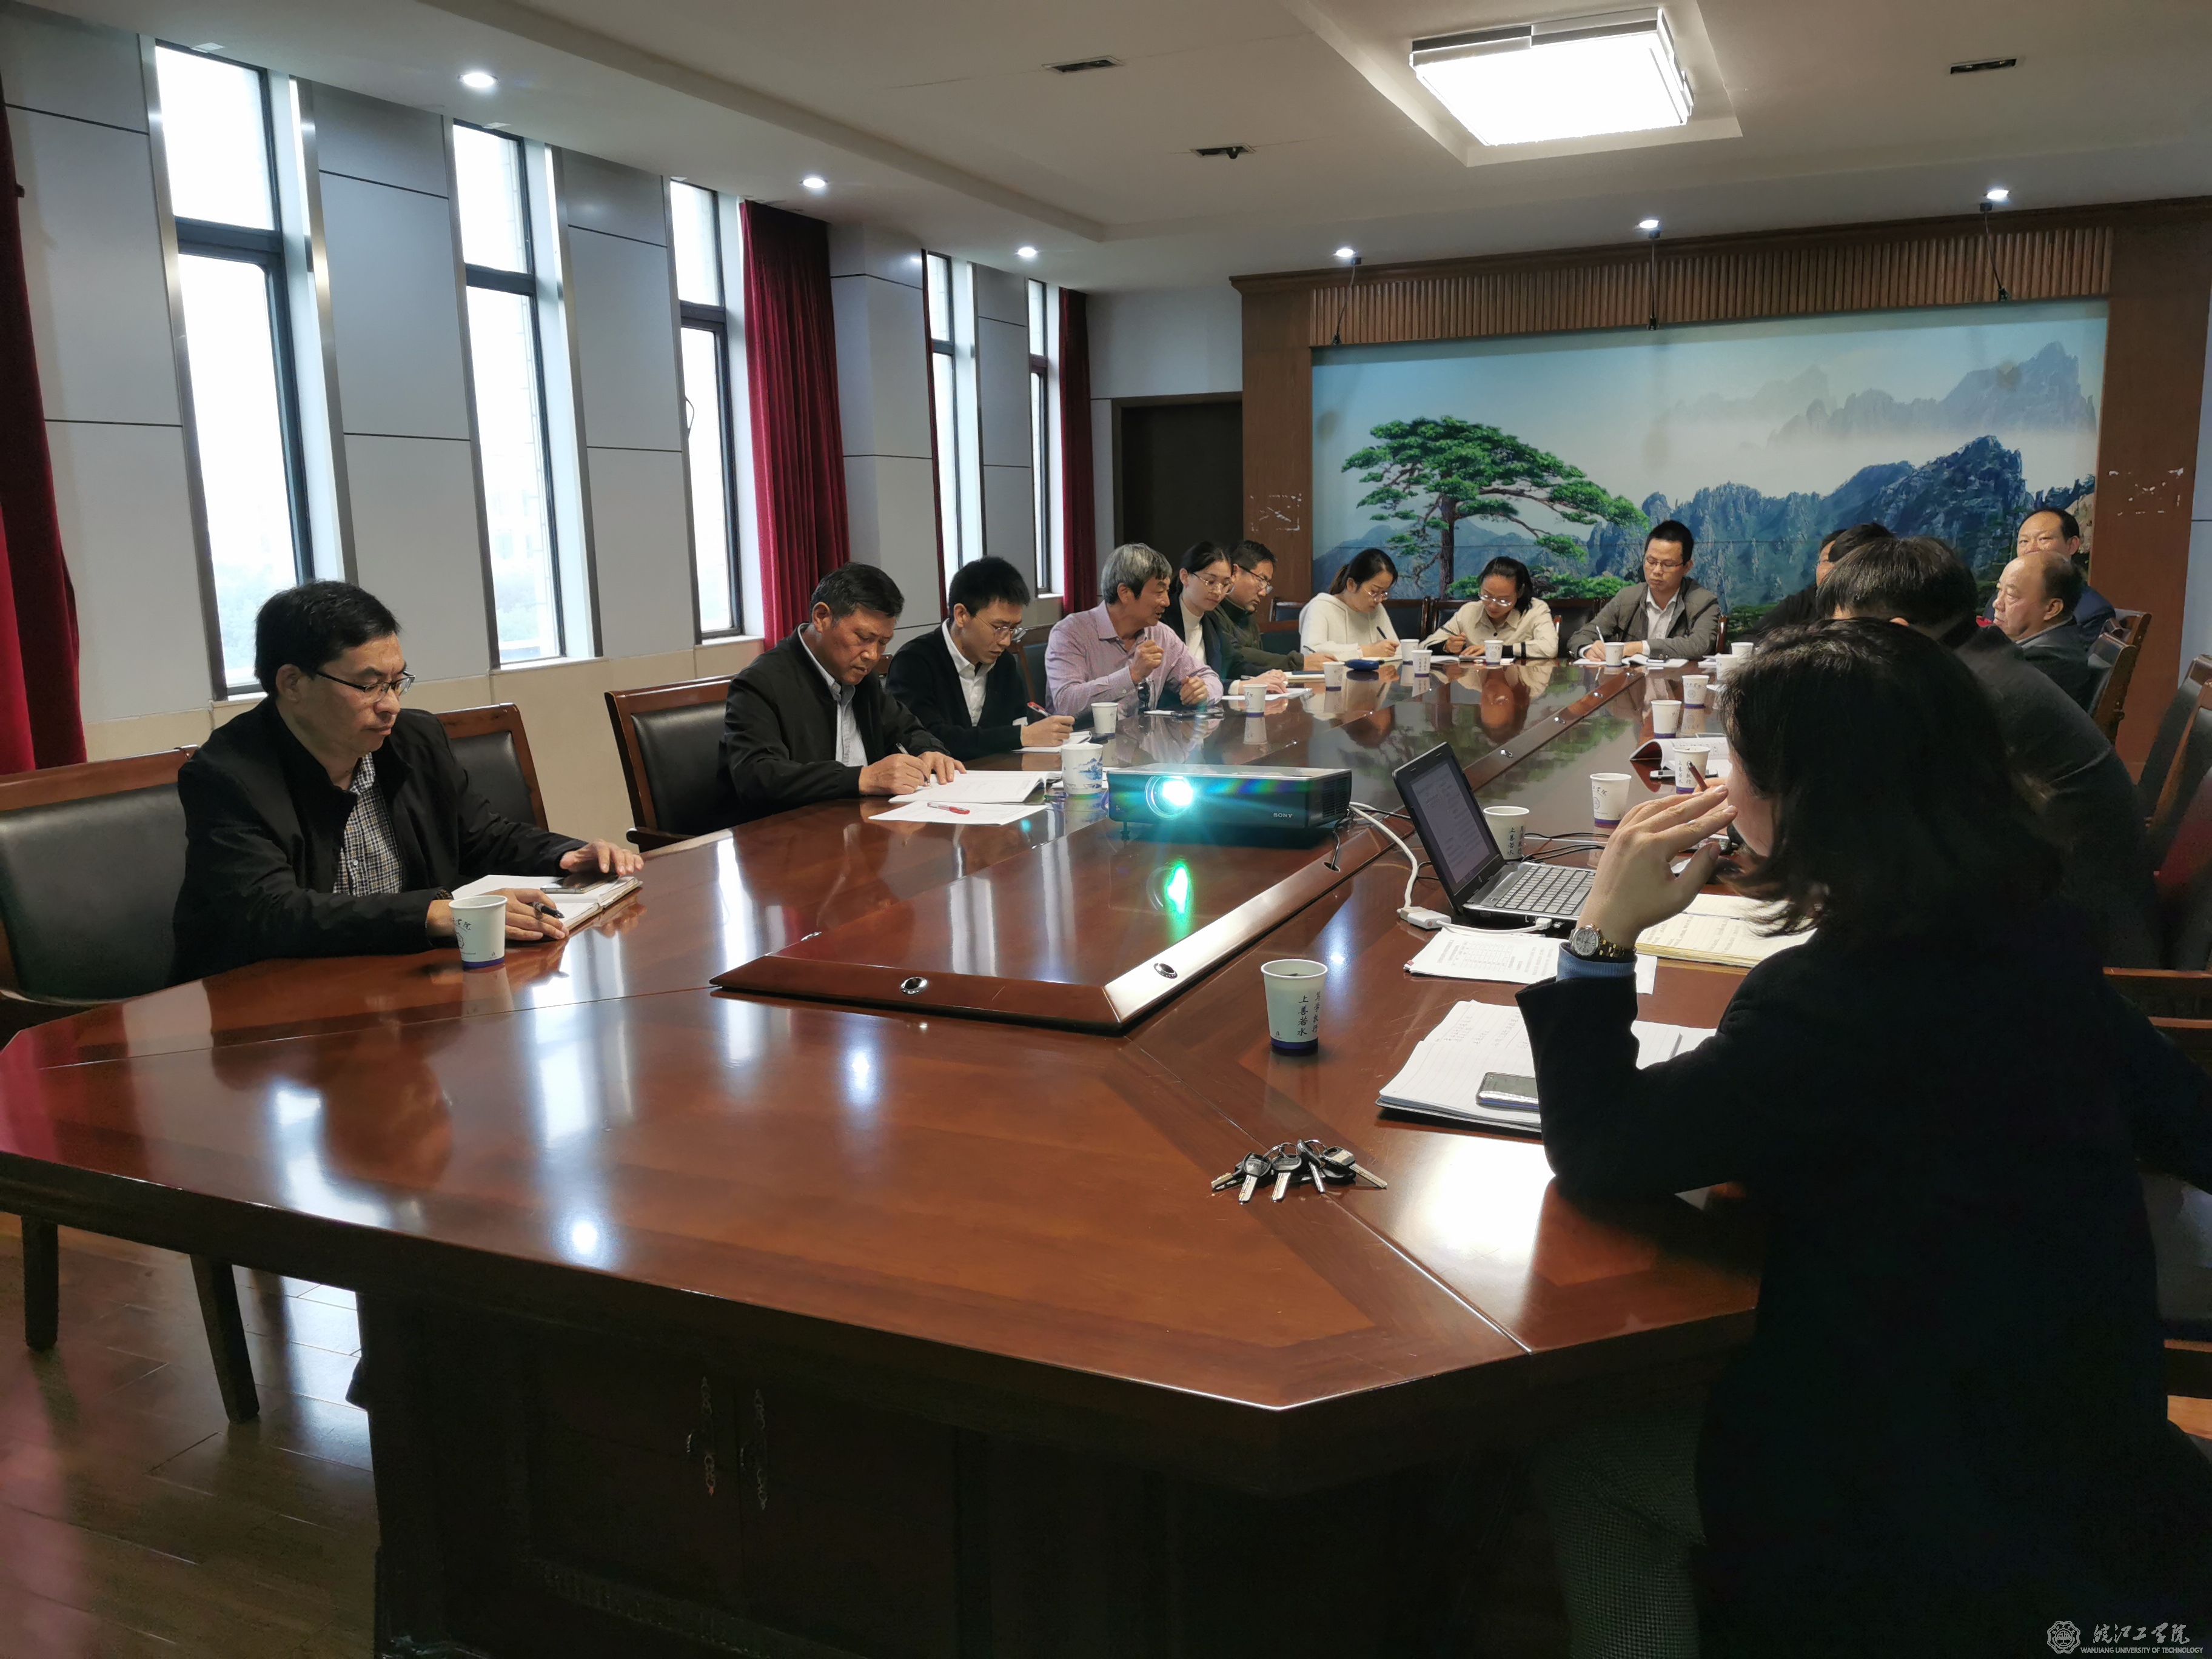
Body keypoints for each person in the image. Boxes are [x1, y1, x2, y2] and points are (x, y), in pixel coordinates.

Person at [1523, 620, 2212, 1657]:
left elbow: (1597, 1149)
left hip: (1930, 1507)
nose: (1721, 785)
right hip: (2098, 1454)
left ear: (1799, 801)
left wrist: (1601, 936)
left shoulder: (1823, 1005)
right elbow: (2187, 1120)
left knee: (1587, 1460)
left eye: (1736, 765)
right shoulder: (2038, 937)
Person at [173, 582, 639, 982]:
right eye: (369, 686)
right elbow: (273, 914)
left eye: (397, 682)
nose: (391, 705)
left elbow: (479, 835)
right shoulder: (227, 776)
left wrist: (565, 854)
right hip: (278, 1008)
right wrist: (435, 913)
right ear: (293, 683)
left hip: (402, 979)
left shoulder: (414, 739)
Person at [1823, 535, 2157, 966]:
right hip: (2061, 919)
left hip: (2078, 959)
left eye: (1842, 634)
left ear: (1896, 634)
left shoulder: (1967, 697)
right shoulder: (1979, 663)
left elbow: (1893, 829)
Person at [717, 563, 962, 823]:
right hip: (787, 834)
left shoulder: (862, 679)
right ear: (822, 617)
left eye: (883, 643)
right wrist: (862, 778)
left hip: (861, 828)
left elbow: (907, 729)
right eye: (863, 638)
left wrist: (930, 751)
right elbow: (757, 776)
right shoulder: (760, 683)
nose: (873, 655)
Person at [886, 556, 1074, 760]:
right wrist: (1022, 736)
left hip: (995, 773)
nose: (1006, 641)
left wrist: (1026, 734)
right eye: (998, 628)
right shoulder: (914, 662)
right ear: (961, 615)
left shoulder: (1003, 662)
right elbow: (928, 740)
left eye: (1013, 628)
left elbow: (1016, 722)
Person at [1044, 541, 1221, 717]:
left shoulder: (1160, 635)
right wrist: (1132, 675)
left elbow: (1208, 676)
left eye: (1167, 592)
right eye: (1159, 592)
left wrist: (1203, 690)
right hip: (1084, 736)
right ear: (1125, 593)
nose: (1167, 602)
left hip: (1145, 736)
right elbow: (1066, 703)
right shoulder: (1071, 633)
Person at [1568, 521, 1722, 662]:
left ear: (1687, 567)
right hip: (1631, 681)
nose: (1657, 571)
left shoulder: (1703, 602)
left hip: (1678, 681)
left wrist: (1639, 647)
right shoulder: (1627, 598)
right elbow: (1581, 637)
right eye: (1651, 561)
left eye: (1668, 564)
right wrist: (1588, 650)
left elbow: (1699, 645)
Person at [1992, 548, 2097, 708]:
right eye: (2000, 590)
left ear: (2052, 609)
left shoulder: (2046, 660)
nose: (1997, 603)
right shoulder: (2059, 639)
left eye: (2012, 595)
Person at [1754, 520, 1891, 635]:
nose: (1833, 569)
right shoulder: (1804, 601)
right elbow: (1752, 635)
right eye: (1826, 561)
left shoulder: (1882, 608)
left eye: (1841, 562)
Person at [1215, 540, 1321, 675]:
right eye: (1261, 580)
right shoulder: (1212, 610)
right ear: (1234, 573)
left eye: (1267, 585)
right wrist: (1297, 663)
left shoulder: (1247, 615)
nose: (1263, 593)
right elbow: (1233, 654)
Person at [1421, 555, 1557, 657]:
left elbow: (1550, 648)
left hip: (1521, 682)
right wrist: (1446, 646)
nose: (1492, 605)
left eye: (1503, 600)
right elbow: (1423, 647)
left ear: (1520, 592)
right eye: (1486, 596)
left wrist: (1497, 650)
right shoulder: (1469, 611)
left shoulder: (1535, 610)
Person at [2018, 506, 2115, 645]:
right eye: (2024, 541)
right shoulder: (2002, 597)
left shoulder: (2092, 612)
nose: (2032, 549)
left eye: (2043, 539)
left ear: (2072, 545)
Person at [1300, 547, 1401, 660]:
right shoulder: (1321, 607)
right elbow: (1310, 652)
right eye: (1374, 591)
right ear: (1351, 585)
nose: (1379, 600)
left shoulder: (1377, 609)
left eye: (1384, 593)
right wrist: (1365, 651)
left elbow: (1398, 652)